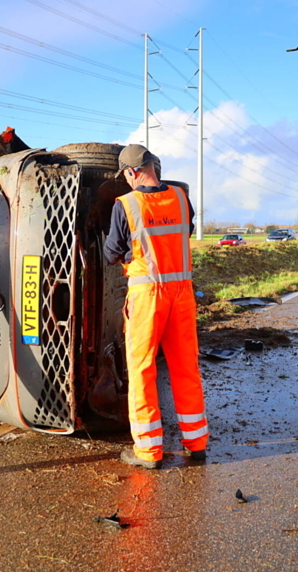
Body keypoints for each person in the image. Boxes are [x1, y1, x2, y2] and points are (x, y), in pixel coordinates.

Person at [104, 144, 209, 469]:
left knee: (142, 369)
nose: (127, 182)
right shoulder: (180, 198)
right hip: (181, 295)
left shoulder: (127, 205)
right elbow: (184, 233)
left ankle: (149, 452)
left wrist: (128, 255)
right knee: (185, 366)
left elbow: (110, 253)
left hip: (147, 296)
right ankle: (197, 443)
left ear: (133, 172)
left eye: (126, 176)